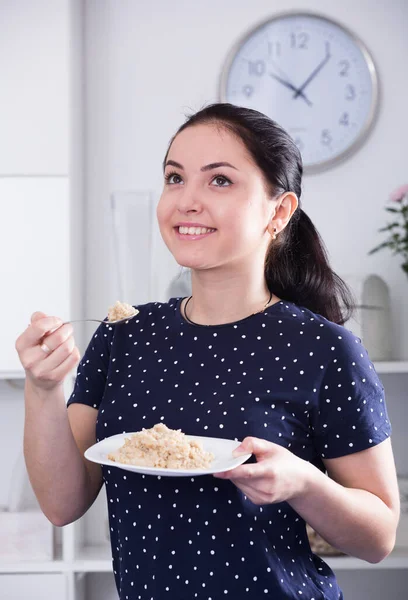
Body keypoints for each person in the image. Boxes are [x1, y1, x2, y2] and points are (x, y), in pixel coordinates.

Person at [16, 103, 400, 600]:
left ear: (279, 212)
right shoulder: (123, 334)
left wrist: (304, 484)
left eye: (219, 181)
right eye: (175, 178)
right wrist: (44, 388)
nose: (187, 200)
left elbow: (379, 537)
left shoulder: (325, 348)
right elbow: (62, 504)